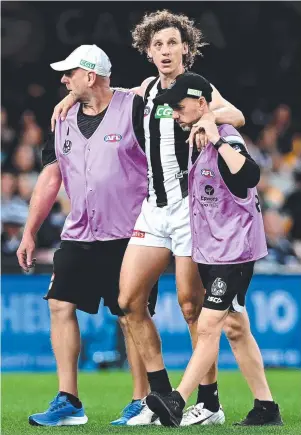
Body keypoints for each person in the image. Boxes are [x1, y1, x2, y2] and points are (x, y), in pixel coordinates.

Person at [51, 10, 245, 426]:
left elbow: (237, 116)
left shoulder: (198, 88)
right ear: (148, 52)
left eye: (172, 43)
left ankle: (208, 404)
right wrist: (73, 95)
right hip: (154, 211)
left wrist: (209, 118)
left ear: (186, 49)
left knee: (191, 306)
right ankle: (157, 397)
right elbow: (105, 94)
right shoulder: (144, 91)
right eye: (157, 45)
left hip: (191, 211)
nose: (165, 51)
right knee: (128, 301)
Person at [16, 44, 159, 427]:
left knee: (132, 314)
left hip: (131, 234)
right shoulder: (62, 118)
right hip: (80, 232)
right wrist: (30, 231)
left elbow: (156, 88)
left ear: (90, 75)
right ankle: (69, 400)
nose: (64, 80)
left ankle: (142, 401)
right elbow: (50, 175)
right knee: (59, 305)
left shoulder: (133, 107)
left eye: (70, 73)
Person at [145, 72, 283, 427]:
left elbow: (249, 175)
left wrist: (219, 139)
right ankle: (266, 407)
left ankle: (176, 401)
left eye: (179, 106)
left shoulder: (227, 139)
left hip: (234, 253)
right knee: (236, 328)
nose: (174, 112)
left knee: (208, 327)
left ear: (202, 104)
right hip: (211, 251)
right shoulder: (193, 136)